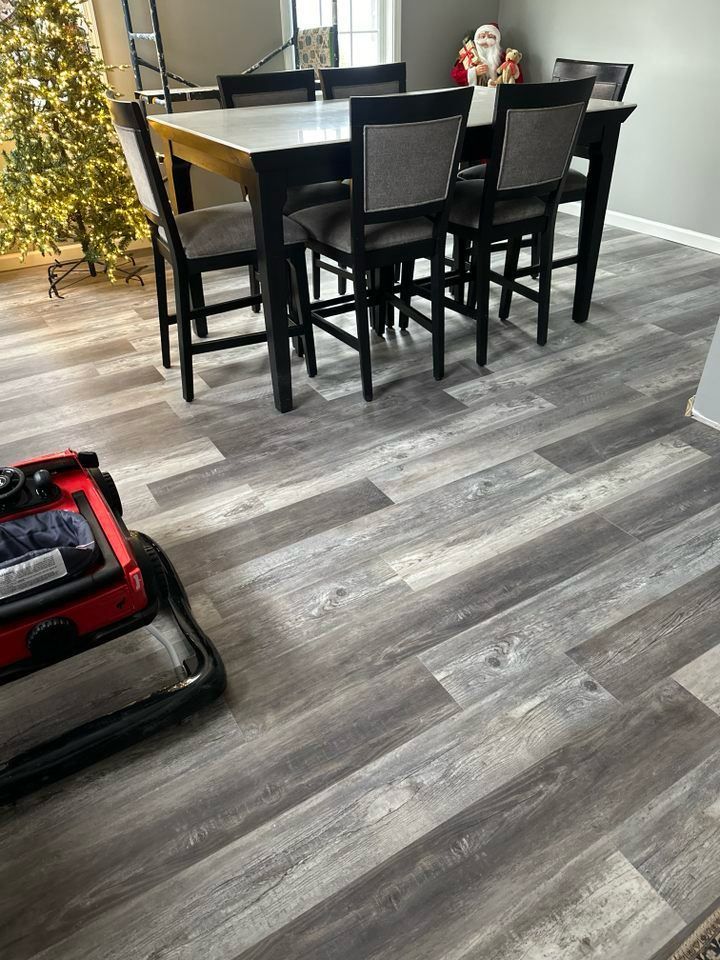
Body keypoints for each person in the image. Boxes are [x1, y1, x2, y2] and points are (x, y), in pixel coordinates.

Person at [451, 22, 523, 87]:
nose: (486, 40)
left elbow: (518, 81)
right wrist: (474, 72)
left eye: (490, 37)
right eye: (482, 36)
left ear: (496, 41)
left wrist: (514, 73)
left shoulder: (505, 57)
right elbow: (455, 75)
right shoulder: (469, 55)